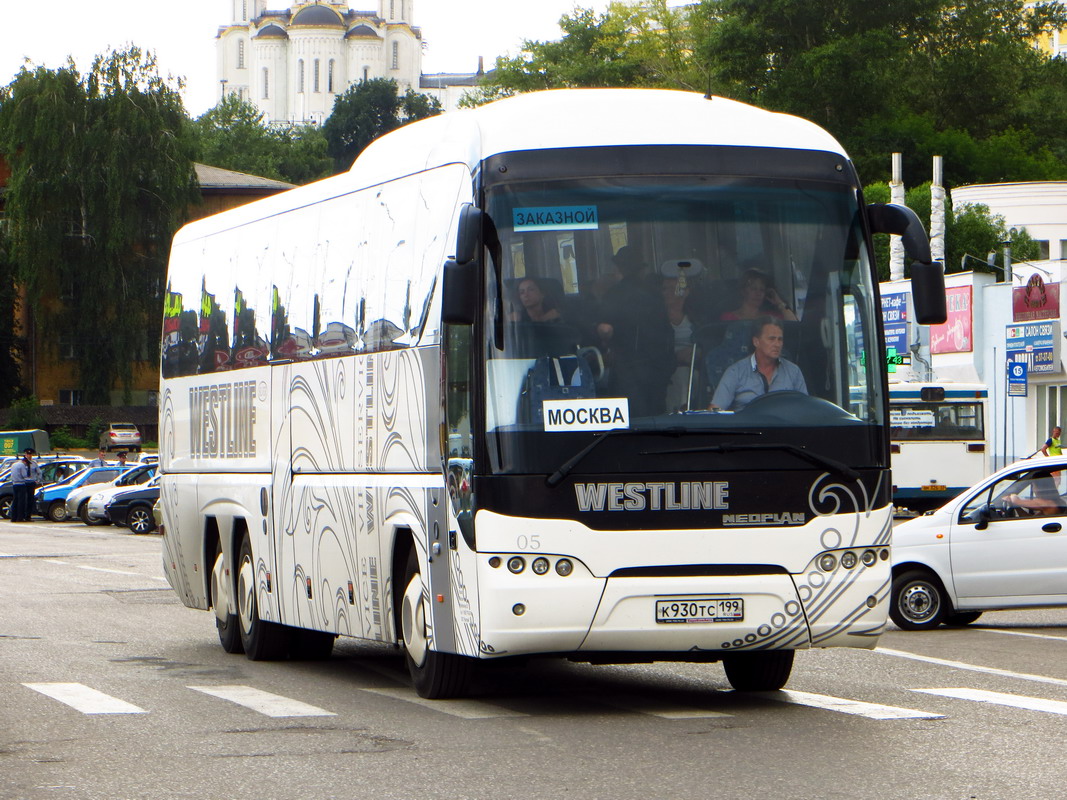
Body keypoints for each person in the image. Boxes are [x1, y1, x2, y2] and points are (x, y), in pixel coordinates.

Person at [711, 317, 807, 411]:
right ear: (756, 342)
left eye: (780, 339)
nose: (777, 344)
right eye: (771, 339)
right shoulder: (735, 372)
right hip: (747, 425)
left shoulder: (793, 371)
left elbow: (805, 410)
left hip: (784, 425)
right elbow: (715, 411)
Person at [720, 268, 798, 322]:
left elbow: (794, 325)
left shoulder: (771, 318)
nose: (758, 293)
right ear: (743, 291)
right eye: (753, 289)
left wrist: (780, 303)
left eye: (762, 290)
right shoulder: (729, 318)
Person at [10, 448, 43, 522]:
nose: (29, 456)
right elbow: (23, 474)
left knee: (30, 500)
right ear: (25, 454)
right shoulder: (22, 463)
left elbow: (39, 472)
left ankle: (28, 516)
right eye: (27, 454)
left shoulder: (34, 463)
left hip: (31, 482)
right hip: (23, 483)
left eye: (30, 454)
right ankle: (21, 516)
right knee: (22, 500)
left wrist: (37, 480)